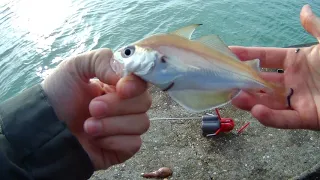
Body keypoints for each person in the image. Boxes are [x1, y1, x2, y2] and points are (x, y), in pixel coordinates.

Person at [0, 3, 319, 180]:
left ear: (152, 55)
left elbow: (186, 44)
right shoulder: (153, 62)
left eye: (127, 53)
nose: (120, 59)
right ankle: (264, 85)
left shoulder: (159, 54)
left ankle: (264, 86)